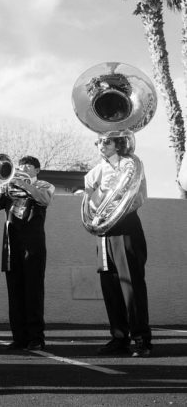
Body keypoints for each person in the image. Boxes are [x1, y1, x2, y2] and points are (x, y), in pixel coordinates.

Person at [83, 133, 152, 357]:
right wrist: (102, 192)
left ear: (118, 143)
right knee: (110, 285)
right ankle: (119, 337)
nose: (101, 145)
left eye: (106, 141)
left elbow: (139, 197)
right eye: (98, 141)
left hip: (126, 227)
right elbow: (89, 203)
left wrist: (117, 204)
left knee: (131, 284)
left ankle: (141, 339)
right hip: (104, 231)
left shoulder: (131, 164)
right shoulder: (94, 172)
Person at [0, 155, 55, 351]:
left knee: (33, 291)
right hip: (11, 244)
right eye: (20, 166)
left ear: (37, 170)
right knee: (15, 292)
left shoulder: (44, 185)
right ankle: (19, 337)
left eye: (28, 166)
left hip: (33, 245)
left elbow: (44, 199)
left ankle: (36, 338)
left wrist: (24, 184)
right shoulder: (8, 186)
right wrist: (2, 185)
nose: (23, 169)